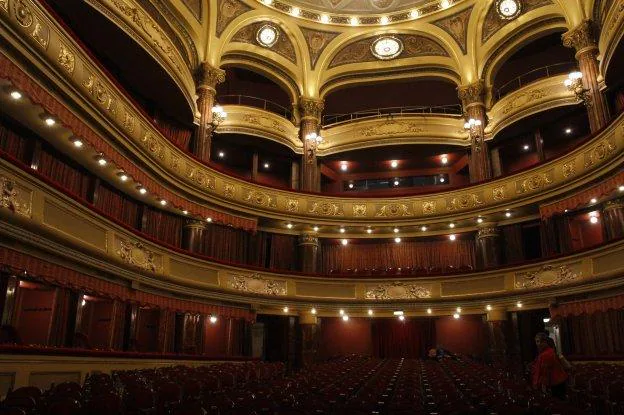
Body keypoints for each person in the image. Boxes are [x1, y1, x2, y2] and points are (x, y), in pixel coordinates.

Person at [532, 332, 568, 399]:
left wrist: (543, 386)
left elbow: (545, 372)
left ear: (544, 342)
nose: (537, 344)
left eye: (538, 341)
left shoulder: (546, 354)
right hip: (557, 382)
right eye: (536, 342)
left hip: (555, 383)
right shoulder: (548, 352)